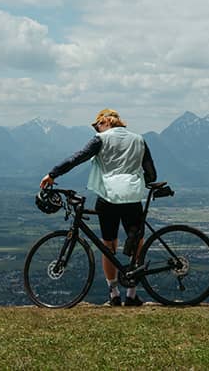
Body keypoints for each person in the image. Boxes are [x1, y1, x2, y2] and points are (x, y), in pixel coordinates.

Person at [40, 109, 157, 307]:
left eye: (97, 125)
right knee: (137, 242)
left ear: (105, 122)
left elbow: (77, 158)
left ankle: (113, 294)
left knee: (108, 245)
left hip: (107, 197)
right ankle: (132, 294)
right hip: (132, 198)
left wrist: (53, 174)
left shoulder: (100, 139)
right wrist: (135, 181)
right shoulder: (139, 140)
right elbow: (151, 173)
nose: (96, 129)